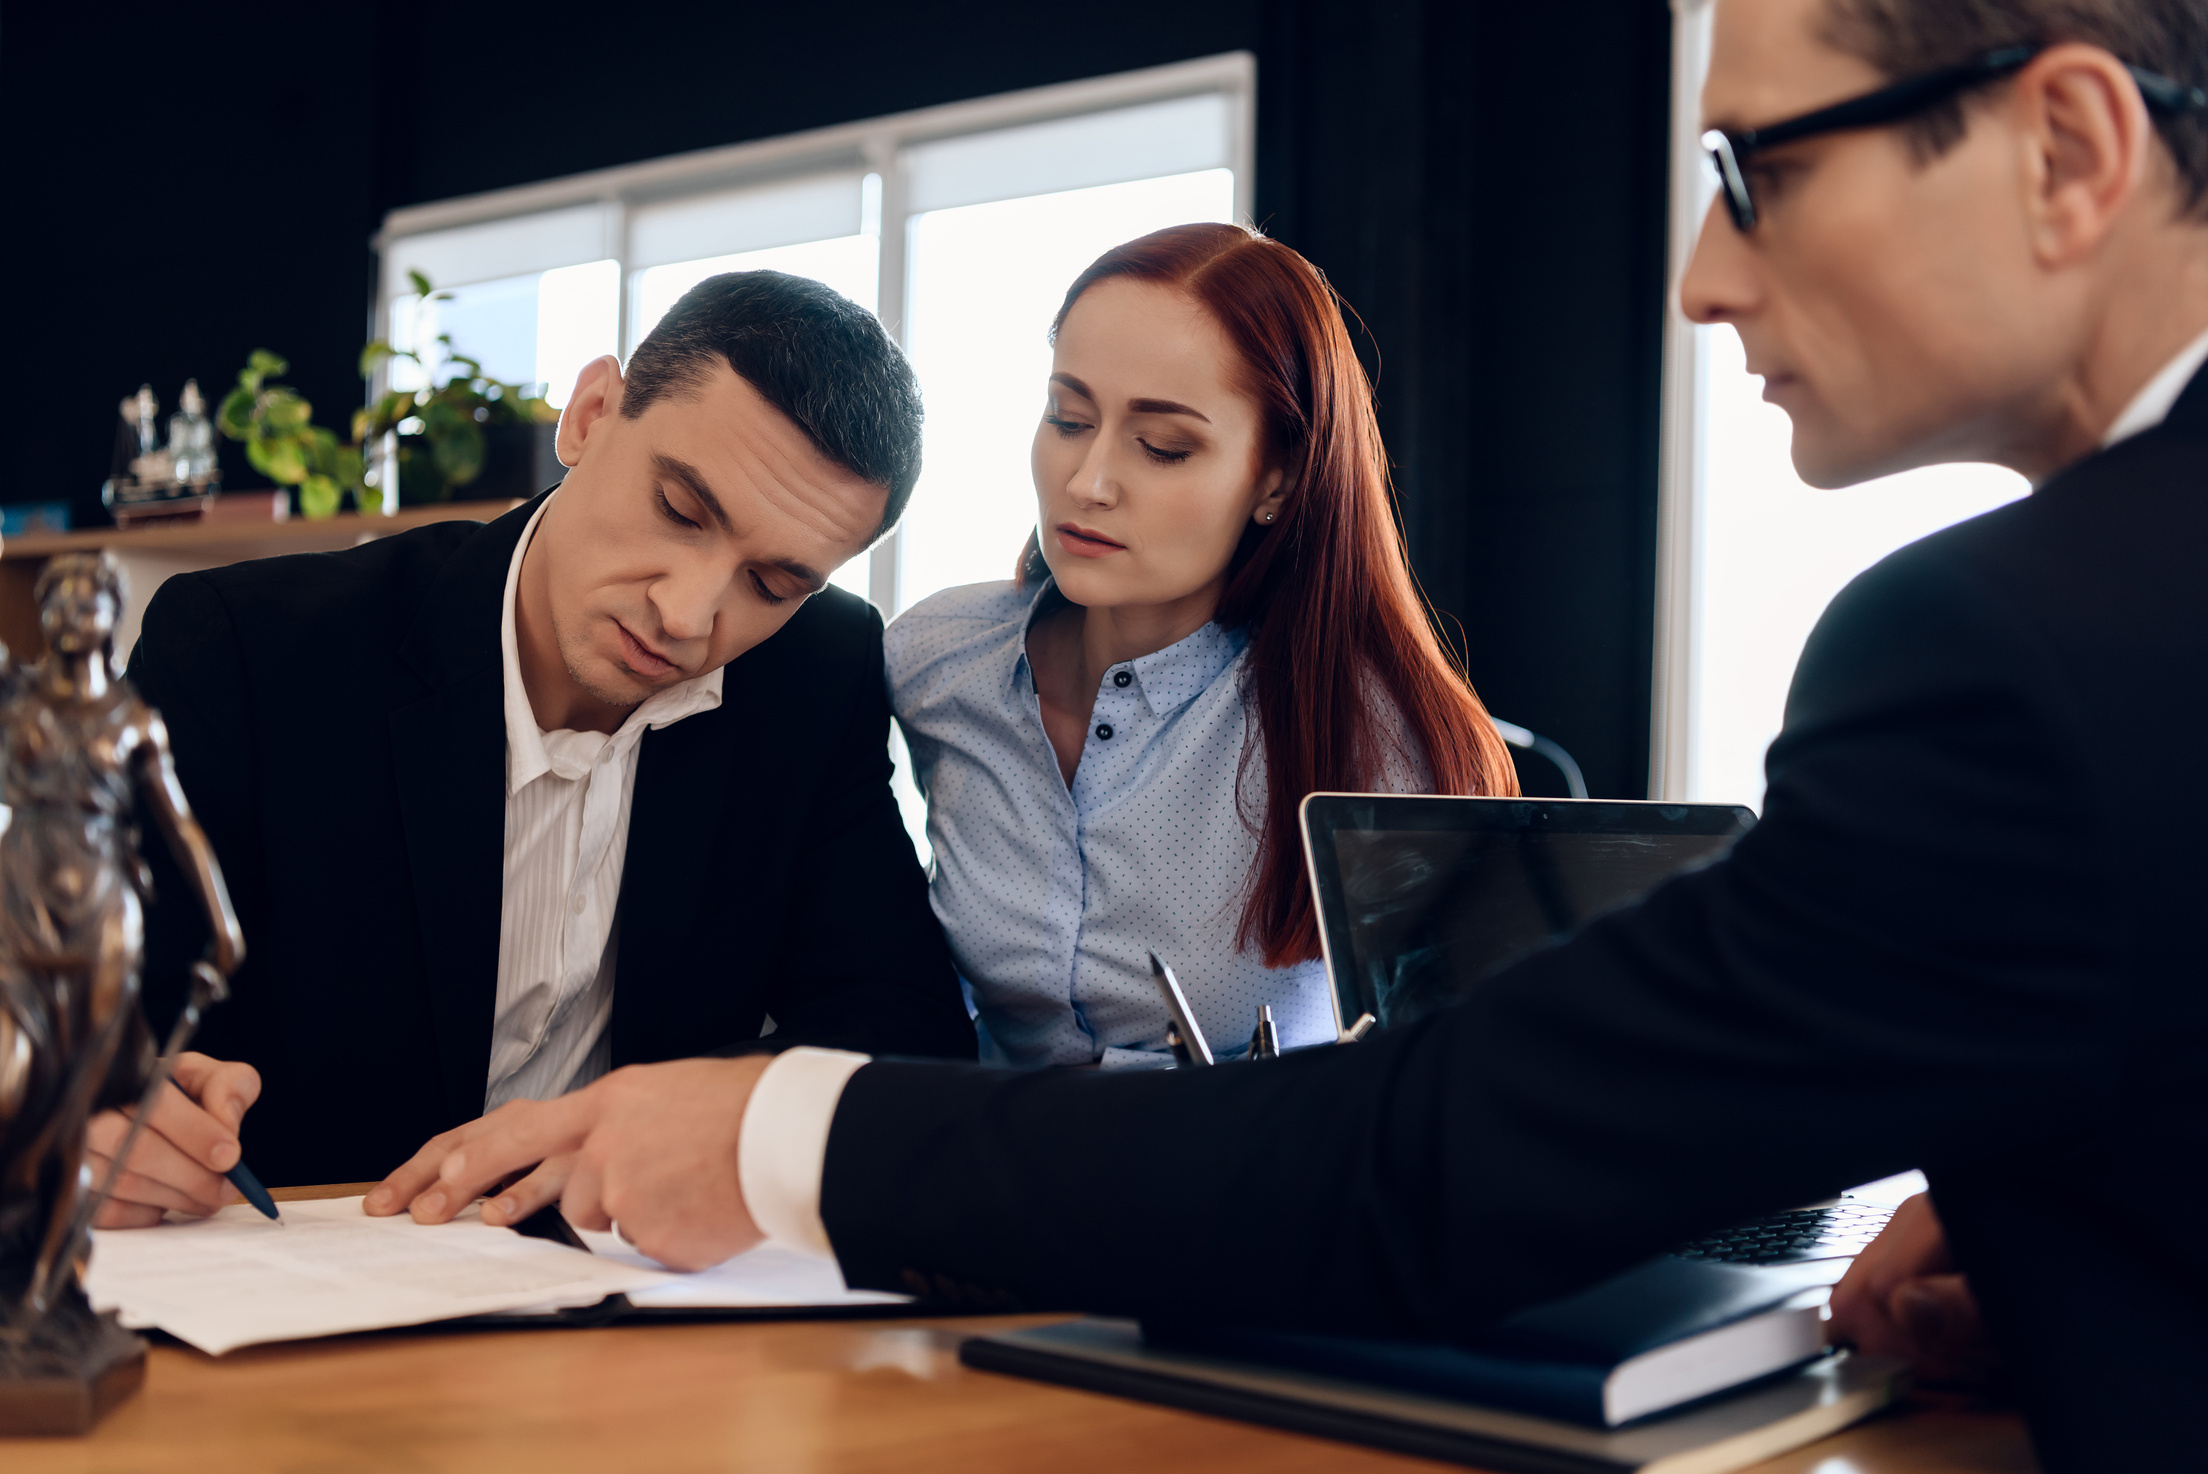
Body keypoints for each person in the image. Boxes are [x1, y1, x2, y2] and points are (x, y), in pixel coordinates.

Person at [376, 0, 2208, 1466]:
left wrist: (792, 1135)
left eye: (1746, 168)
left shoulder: (1991, 645)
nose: (1698, 279)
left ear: (2063, 146)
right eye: (1067, 417)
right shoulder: (913, 662)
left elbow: (1426, 1152)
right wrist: (2046, 1216)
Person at [86, 270, 974, 1216]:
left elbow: (899, 1026)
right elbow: (80, 1013)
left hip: (618, 1293)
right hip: (294, 1273)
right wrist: (91, 1115)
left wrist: (687, 1116)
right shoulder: (249, 651)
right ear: (591, 415)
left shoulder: (814, 672)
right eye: (679, 509)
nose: (685, 614)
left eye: (771, 584)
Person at [886, 224, 1515, 1068]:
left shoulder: (1375, 737)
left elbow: (1443, 1087)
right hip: (978, 1179)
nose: (1088, 482)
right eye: (1068, 419)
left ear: (1277, 480)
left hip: (1247, 1188)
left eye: (1163, 447)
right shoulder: (938, 658)